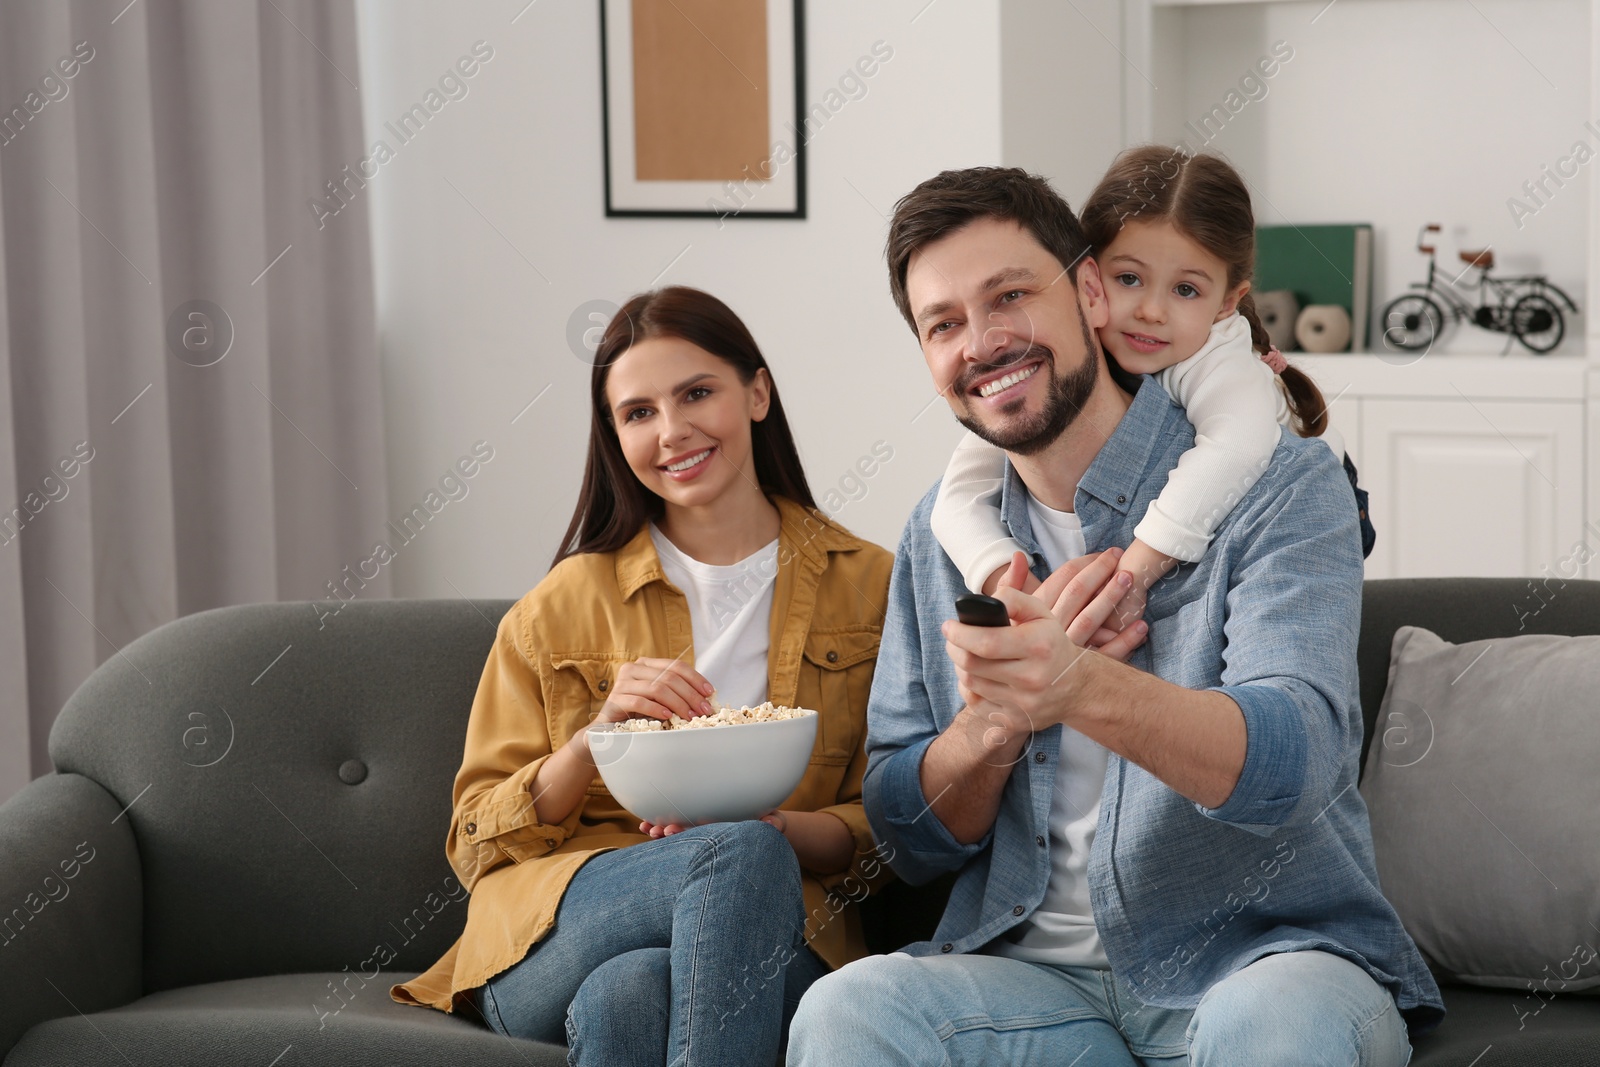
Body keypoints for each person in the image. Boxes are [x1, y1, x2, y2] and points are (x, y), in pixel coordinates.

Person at [788, 162, 1442, 1065]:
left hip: (1264, 962)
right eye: (944, 324)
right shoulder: (941, 532)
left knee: (1271, 1026)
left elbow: (1295, 759)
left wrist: (1079, 684)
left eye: (1010, 295)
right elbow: (907, 833)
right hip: (1035, 988)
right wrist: (992, 724)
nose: (981, 341)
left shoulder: (1278, 483)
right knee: (847, 1010)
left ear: (1090, 291)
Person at [391, 286, 894, 1067]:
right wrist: (594, 742)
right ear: (615, 434)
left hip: (772, 921)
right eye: (638, 412)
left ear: (756, 393)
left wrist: (785, 831)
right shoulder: (558, 607)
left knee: (634, 989)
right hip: (562, 925)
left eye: (697, 393)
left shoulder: (872, 587)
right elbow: (473, 845)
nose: (673, 431)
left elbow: (895, 822)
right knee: (735, 855)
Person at [932, 146, 1374, 629]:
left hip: (1326, 502)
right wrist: (1018, 594)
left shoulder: (1218, 360)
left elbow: (1236, 449)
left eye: (1186, 290)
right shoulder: (1057, 363)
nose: (1151, 311)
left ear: (1229, 301)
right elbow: (956, 498)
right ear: (1089, 279)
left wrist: (1132, 575)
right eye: (1129, 278)